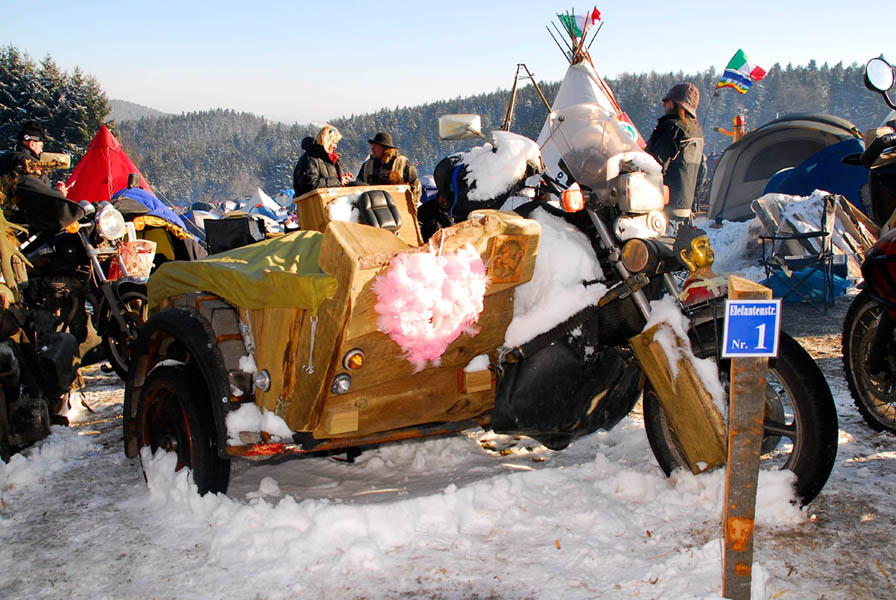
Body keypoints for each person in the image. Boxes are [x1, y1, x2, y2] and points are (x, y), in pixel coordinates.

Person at [645, 82, 705, 227]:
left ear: (676, 103)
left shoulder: (672, 127)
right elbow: (702, 170)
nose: (664, 104)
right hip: (685, 209)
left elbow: (654, 165)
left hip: (664, 207)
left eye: (667, 101)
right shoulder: (696, 131)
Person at [356, 132, 421, 203]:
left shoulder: (404, 164)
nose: (372, 149)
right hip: (373, 206)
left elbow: (416, 188)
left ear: (385, 149)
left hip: (397, 206)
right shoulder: (367, 165)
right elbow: (358, 186)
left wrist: (409, 205)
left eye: (376, 146)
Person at [292, 125, 352, 198]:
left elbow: (334, 182)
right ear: (326, 141)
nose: (335, 146)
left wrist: (344, 180)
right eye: (333, 143)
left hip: (332, 202)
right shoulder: (309, 159)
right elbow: (310, 185)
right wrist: (338, 181)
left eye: (336, 143)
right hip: (314, 203)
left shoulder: (333, 159)